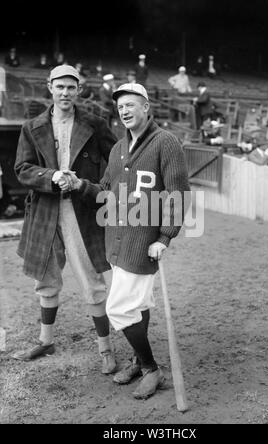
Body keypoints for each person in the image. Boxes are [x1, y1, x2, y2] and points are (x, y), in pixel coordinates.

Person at [65, 83, 191, 400]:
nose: (124, 111)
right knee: (138, 304)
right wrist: (81, 184)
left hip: (143, 242)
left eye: (131, 105)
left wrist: (165, 236)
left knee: (119, 308)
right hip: (118, 241)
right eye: (120, 107)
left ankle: (151, 368)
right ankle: (138, 359)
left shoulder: (166, 142)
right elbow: (106, 191)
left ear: (146, 107)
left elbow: (177, 195)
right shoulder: (119, 148)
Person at [13, 65, 118, 374]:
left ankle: (106, 348)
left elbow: (114, 165)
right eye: (60, 87)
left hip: (80, 210)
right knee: (44, 278)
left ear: (79, 90)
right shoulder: (32, 127)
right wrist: (52, 175)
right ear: (49, 88)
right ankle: (46, 341)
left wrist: (90, 187)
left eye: (71, 88)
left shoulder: (96, 124)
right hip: (45, 210)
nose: (65, 93)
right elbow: (22, 168)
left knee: (91, 279)